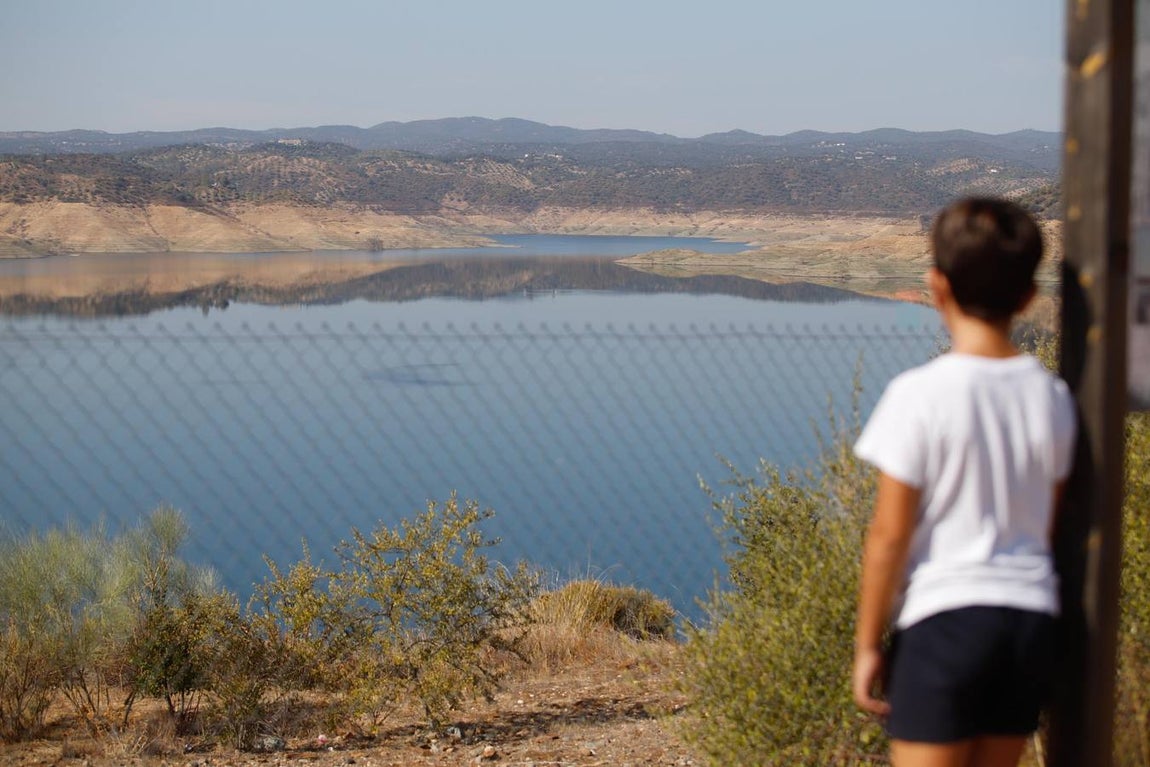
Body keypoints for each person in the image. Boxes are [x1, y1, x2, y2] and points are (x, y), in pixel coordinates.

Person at [851, 197, 1077, 767]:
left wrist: (867, 644)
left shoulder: (919, 394)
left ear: (936, 286)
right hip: (1027, 627)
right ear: (1028, 297)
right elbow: (1048, 525)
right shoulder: (1051, 396)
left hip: (945, 623)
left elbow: (888, 536)